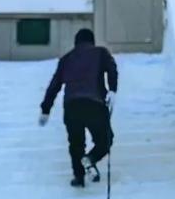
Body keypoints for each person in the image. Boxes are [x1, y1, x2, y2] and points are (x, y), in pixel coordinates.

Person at [39, 28, 118, 187]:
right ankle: (91, 159)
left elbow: (54, 86)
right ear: (92, 41)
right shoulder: (100, 52)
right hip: (94, 103)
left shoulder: (66, 59)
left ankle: (79, 178)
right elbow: (112, 69)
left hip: (72, 105)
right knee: (105, 139)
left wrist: (45, 109)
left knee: (76, 144)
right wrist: (112, 89)